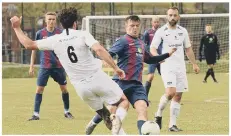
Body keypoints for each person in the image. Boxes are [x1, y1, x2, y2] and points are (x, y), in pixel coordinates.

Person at [10, 7, 129, 135]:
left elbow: (28, 44)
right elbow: (99, 50)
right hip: (96, 77)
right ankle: (118, 119)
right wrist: (115, 68)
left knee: (106, 116)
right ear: (75, 23)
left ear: (61, 23)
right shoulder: (82, 34)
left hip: (81, 88)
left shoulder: (55, 39)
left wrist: (17, 28)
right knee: (123, 101)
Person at [85, 15, 177, 135]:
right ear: (126, 26)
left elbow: (150, 59)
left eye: (137, 26)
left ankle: (141, 133)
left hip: (137, 85)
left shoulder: (141, 43)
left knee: (142, 108)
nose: (134, 28)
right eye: (132, 26)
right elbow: (109, 54)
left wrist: (167, 54)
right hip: (121, 82)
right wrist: (103, 63)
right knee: (112, 108)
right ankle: (93, 122)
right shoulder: (123, 41)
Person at [150, 7, 200, 132]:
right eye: (170, 15)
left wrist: (194, 64)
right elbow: (153, 47)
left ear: (178, 17)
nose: (172, 17)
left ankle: (172, 125)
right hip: (167, 65)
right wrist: (157, 57)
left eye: (175, 15)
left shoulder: (183, 31)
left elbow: (188, 49)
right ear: (167, 16)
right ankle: (158, 113)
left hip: (180, 66)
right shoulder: (161, 31)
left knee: (178, 95)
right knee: (171, 92)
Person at [28, 12, 74, 121]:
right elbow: (34, 50)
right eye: (49, 19)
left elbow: (66, 49)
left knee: (64, 89)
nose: (51, 21)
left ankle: (67, 112)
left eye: (53, 19)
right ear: (45, 21)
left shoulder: (61, 33)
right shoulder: (40, 33)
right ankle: (36, 114)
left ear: (56, 20)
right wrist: (31, 66)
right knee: (39, 90)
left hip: (58, 67)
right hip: (45, 66)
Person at [142, 15, 162, 100]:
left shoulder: (162, 32)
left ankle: (171, 96)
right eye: (155, 22)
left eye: (157, 22)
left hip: (161, 58)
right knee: (150, 76)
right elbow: (144, 45)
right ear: (152, 22)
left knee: (166, 76)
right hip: (152, 58)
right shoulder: (147, 32)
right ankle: (145, 97)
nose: (156, 23)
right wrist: (147, 55)